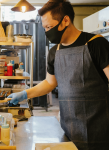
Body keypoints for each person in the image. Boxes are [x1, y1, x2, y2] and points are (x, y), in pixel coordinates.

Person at [8, 0, 109, 149]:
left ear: (66, 20)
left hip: (100, 132)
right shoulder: (54, 52)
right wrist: (24, 94)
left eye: (50, 27)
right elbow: (50, 83)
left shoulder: (96, 44)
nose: (47, 32)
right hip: (68, 129)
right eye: (45, 28)